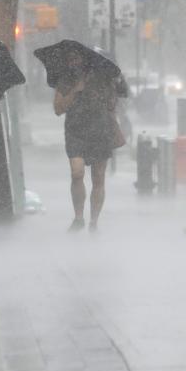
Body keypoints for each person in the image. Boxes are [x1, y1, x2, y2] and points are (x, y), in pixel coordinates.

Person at [52, 50, 121, 233]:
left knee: (98, 178)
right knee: (77, 173)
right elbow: (58, 109)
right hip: (75, 132)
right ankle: (79, 217)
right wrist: (75, 90)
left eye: (78, 59)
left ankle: (94, 222)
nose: (75, 62)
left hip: (100, 131)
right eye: (72, 59)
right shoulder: (66, 80)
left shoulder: (104, 79)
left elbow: (112, 105)